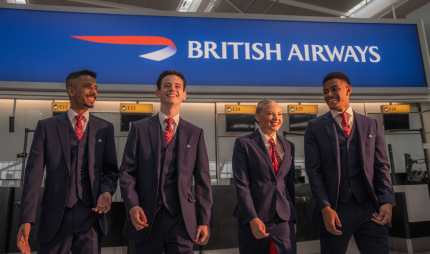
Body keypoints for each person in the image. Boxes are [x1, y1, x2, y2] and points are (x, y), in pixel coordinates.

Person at [17, 70, 119, 254]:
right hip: (55, 214)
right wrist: (26, 219)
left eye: (95, 88)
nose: (94, 92)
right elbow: (33, 175)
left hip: (91, 216)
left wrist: (106, 191)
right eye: (88, 87)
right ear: (70, 91)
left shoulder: (105, 128)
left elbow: (111, 170)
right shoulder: (46, 127)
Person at [119, 70, 213, 254]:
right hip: (145, 217)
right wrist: (132, 205)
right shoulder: (139, 129)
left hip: (181, 219)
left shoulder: (195, 133)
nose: (173, 89)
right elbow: (126, 172)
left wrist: (204, 220)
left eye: (178, 86)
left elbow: (203, 181)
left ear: (184, 95)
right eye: (167, 85)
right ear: (157, 92)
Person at [304, 72, 395, 254]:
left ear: (348, 90)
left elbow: (381, 166)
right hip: (335, 209)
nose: (329, 94)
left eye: (335, 89)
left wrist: (387, 201)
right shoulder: (314, 127)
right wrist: (325, 207)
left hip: (370, 208)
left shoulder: (371, 124)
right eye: (325, 91)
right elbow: (313, 171)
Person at [232, 99, 297, 254]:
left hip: (283, 218)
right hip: (256, 216)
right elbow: (241, 184)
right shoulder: (244, 143)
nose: (276, 118)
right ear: (257, 117)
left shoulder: (288, 146)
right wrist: (252, 217)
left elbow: (289, 185)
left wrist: (293, 217)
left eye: (279, 114)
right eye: (270, 113)